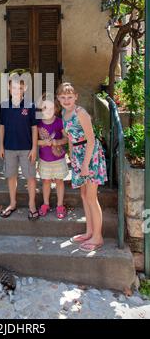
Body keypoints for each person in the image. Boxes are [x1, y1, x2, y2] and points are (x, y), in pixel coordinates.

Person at [57, 82, 107, 252]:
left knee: (92, 197)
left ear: (76, 97)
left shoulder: (81, 113)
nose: (66, 100)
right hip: (78, 155)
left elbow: (91, 140)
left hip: (90, 155)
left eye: (69, 97)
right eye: (63, 97)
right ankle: (89, 232)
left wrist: (85, 164)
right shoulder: (64, 112)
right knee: (84, 195)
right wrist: (72, 158)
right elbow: (71, 138)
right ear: (58, 99)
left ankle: (98, 237)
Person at [0, 73, 39, 220]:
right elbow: (2, 127)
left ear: (25, 88)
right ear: (9, 88)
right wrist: (1, 146)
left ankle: (32, 205)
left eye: (20, 88)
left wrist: (34, 148)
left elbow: (34, 128)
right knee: (11, 176)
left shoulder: (31, 105)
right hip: (9, 147)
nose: (17, 90)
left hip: (27, 148)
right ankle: (13, 203)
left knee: (30, 176)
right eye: (14, 87)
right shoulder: (4, 105)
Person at [37, 93, 69, 219]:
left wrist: (57, 142)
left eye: (51, 108)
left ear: (56, 109)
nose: (48, 111)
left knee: (59, 181)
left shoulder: (59, 122)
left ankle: (60, 205)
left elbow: (66, 139)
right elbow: (33, 141)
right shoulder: (38, 123)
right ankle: (46, 204)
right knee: (46, 181)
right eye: (45, 108)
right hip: (45, 159)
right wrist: (43, 142)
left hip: (58, 159)